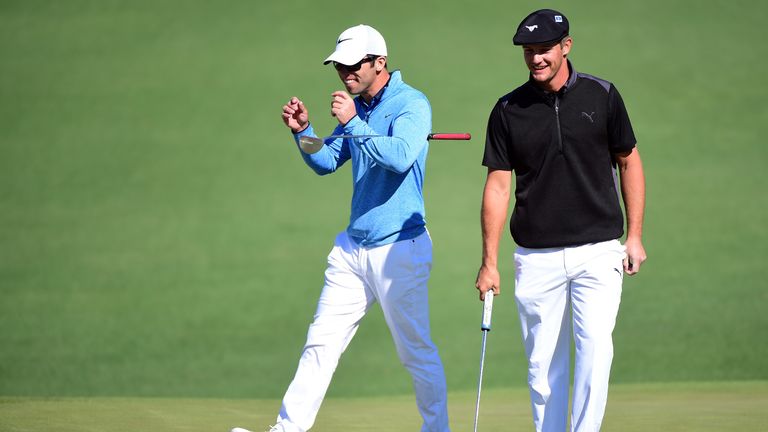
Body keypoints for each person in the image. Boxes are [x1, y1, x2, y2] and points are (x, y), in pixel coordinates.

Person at [232, 24, 450, 432]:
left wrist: (352, 122)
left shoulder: (411, 103)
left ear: (379, 63)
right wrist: (305, 133)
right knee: (321, 344)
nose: (345, 72)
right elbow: (327, 159)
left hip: (400, 248)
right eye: (339, 66)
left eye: (353, 64)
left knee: (414, 352)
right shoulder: (358, 108)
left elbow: (401, 156)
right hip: (353, 249)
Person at [474, 9, 647, 432]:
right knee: (542, 368)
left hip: (599, 249)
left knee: (594, 352)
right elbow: (497, 187)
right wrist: (489, 261)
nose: (536, 59)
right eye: (529, 51)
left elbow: (629, 161)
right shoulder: (507, 109)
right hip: (536, 256)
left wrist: (635, 235)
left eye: (544, 50)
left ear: (565, 46)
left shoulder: (601, 95)